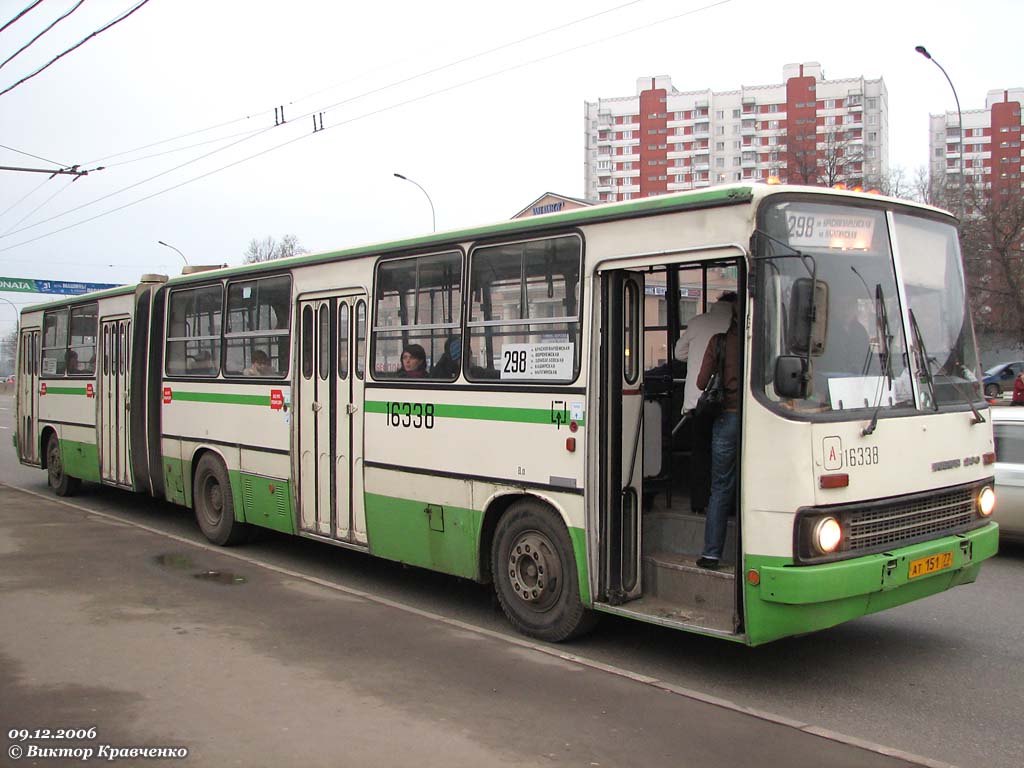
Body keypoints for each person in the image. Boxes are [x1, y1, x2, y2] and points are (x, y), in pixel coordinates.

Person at [674, 291, 736, 513]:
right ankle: (726, 506)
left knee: (700, 453)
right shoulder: (736, 326)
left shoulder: (697, 322)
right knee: (726, 459)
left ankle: (699, 502)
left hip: (697, 401)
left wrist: (696, 354)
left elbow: (678, 353)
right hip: (727, 403)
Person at [694, 299, 740, 570]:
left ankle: (712, 554)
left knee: (720, 487)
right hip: (755, 420)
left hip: (726, 417)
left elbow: (701, 382)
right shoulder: (759, 342)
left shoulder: (719, 342)